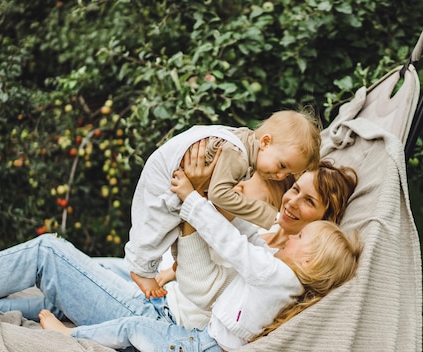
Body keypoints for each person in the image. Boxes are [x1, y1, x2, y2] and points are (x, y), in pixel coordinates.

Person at [0, 150, 358, 352]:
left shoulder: (272, 264)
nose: (291, 201)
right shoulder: (267, 234)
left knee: (48, 253)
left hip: (168, 317)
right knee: (68, 280)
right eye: (294, 189)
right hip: (165, 299)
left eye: (309, 202)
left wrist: (193, 207)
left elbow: (205, 285)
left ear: (326, 223)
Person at [126, 109, 321, 299]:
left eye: (287, 174)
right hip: (166, 174)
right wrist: (264, 213)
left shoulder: (245, 147)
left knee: (176, 221)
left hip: (178, 177)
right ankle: (141, 269)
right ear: (265, 142)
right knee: (157, 224)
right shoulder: (238, 155)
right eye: (282, 166)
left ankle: (177, 263)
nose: (279, 176)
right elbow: (218, 194)